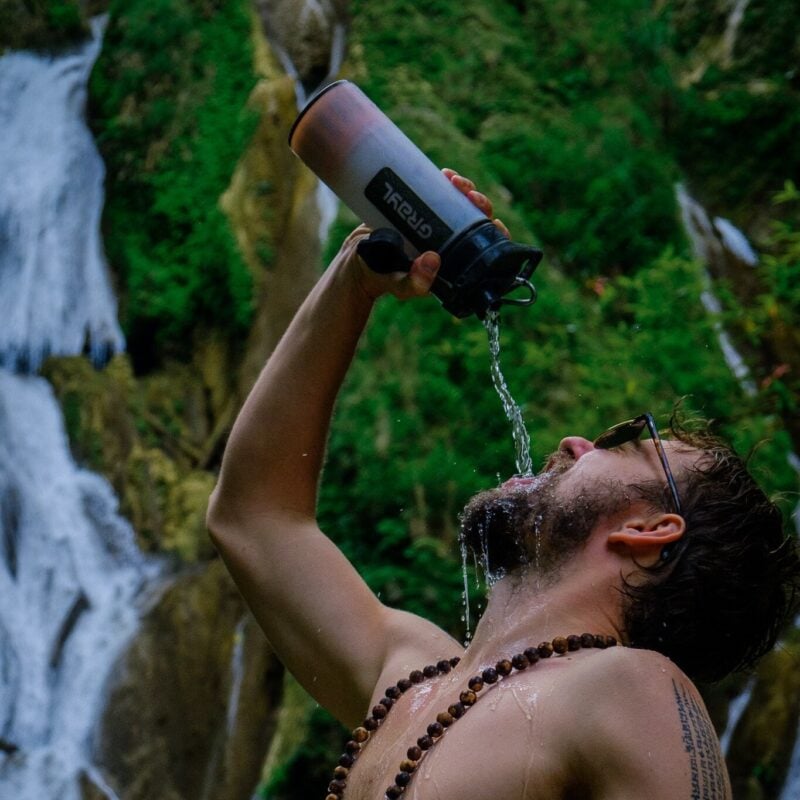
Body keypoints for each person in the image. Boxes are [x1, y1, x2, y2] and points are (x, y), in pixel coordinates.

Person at [207, 171, 799, 800]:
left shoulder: (634, 687)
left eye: (622, 441)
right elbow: (255, 516)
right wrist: (355, 276)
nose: (575, 443)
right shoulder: (409, 678)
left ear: (650, 531)